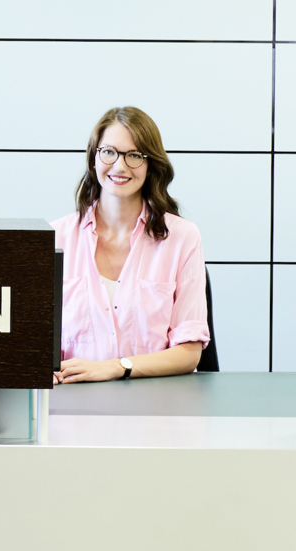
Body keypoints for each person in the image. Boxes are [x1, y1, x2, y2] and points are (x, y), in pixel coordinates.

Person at [52, 107, 209, 384]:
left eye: (134, 155)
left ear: (151, 167)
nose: (120, 165)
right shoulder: (56, 237)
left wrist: (116, 367)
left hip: (158, 407)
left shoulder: (183, 238)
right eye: (109, 152)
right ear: (93, 158)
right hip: (71, 405)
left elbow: (189, 353)